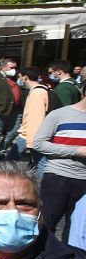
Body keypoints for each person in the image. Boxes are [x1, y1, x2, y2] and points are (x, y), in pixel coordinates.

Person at [32, 91, 86, 237]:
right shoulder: (59, 114)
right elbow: (38, 144)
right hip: (58, 176)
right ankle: (41, 257)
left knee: (76, 230)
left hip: (84, 181)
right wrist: (75, 151)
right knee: (46, 224)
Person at [0, 57, 23, 161]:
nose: (14, 70)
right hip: (0, 110)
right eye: (11, 67)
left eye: (15, 67)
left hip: (16, 109)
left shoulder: (16, 79)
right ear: (3, 67)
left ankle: (1, 151)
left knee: (13, 132)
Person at [12, 66, 51, 165]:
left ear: (25, 77)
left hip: (29, 134)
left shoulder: (37, 93)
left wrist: (32, 140)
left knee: (11, 160)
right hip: (31, 133)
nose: (19, 80)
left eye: (20, 77)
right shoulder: (39, 90)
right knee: (39, 161)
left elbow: (36, 117)